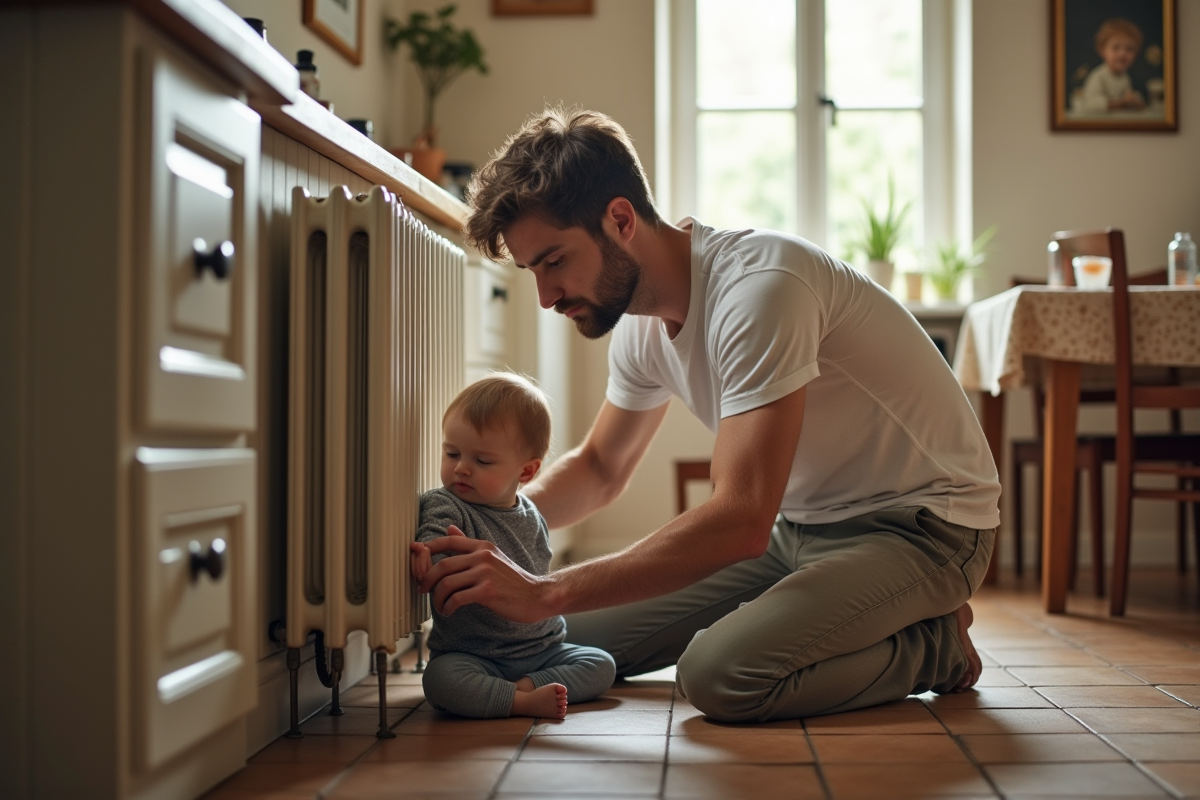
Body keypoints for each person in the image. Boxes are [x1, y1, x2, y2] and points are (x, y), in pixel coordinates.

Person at [415, 107, 1000, 722]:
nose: (545, 296)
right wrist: (482, 523)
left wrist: (545, 589)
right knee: (550, 639)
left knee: (719, 675)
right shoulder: (639, 327)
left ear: (620, 220)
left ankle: (936, 645)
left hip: (924, 526)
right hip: (797, 531)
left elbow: (741, 517)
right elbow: (601, 467)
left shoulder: (760, 289)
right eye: (532, 270)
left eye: (555, 261)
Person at [411, 373, 616, 719]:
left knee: (600, 664)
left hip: (542, 649)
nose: (461, 468)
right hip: (472, 653)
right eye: (452, 453)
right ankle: (523, 700)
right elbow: (433, 540)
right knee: (439, 680)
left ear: (526, 472)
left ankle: (517, 688)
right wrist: (425, 555)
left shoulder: (533, 515)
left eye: (482, 461)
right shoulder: (446, 503)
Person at [1073, 18, 1146, 114]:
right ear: (1102, 50)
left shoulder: (1124, 77)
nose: (1122, 53)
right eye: (1116, 48)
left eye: (1129, 49)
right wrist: (1120, 103)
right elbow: (1092, 104)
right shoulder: (1098, 77)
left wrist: (1134, 101)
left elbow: (1128, 97)